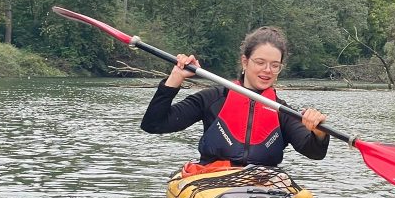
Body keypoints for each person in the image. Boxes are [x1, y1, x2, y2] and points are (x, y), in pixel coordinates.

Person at [141, 26, 329, 172]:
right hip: (212, 183)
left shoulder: (282, 111)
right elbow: (154, 124)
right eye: (260, 62)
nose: (267, 70)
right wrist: (176, 77)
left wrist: (318, 132)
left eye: (275, 65)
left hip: (262, 187)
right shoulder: (213, 98)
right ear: (245, 62)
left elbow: (314, 152)